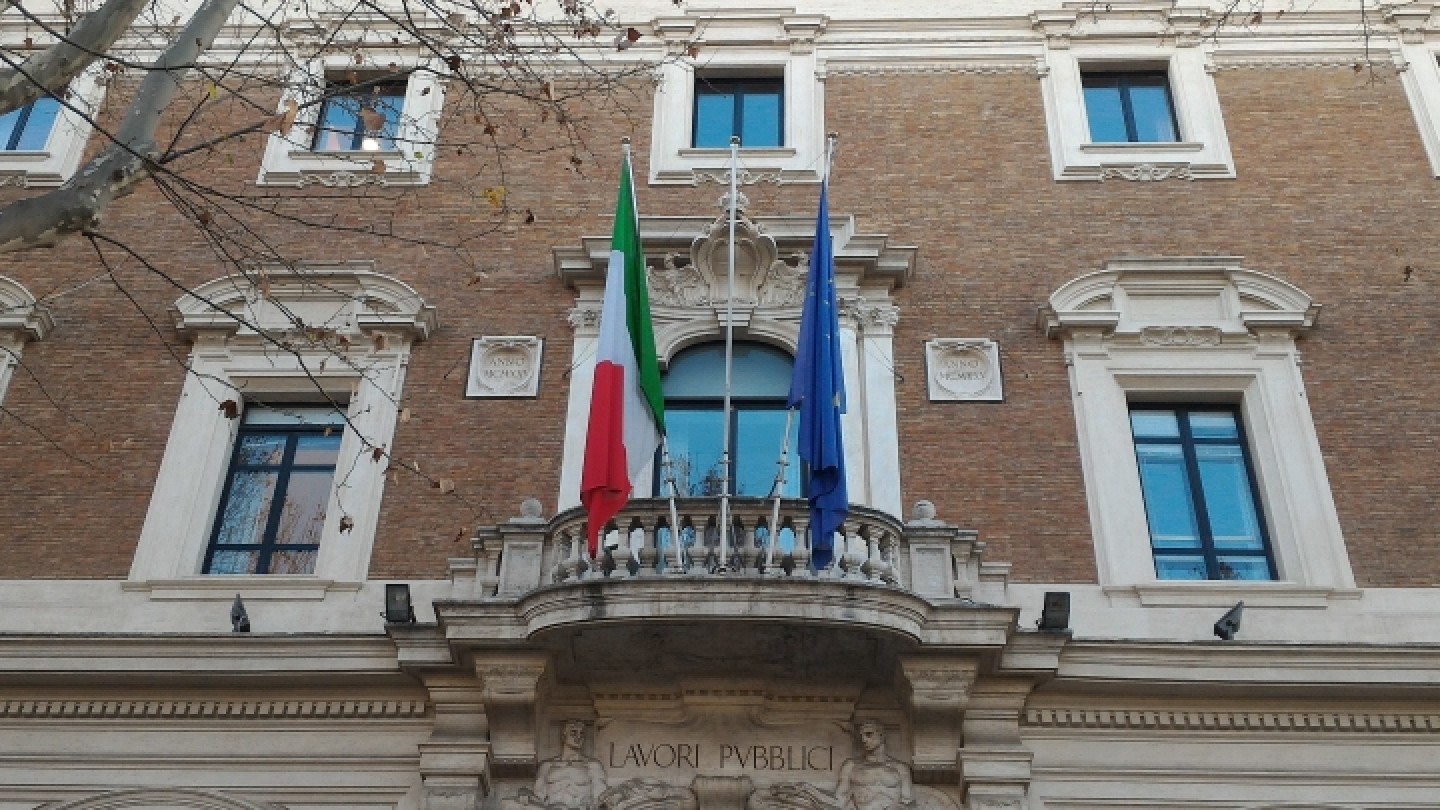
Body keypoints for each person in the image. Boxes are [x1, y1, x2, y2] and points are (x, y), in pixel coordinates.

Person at [509, 720, 608, 810]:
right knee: (509, 803)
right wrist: (525, 793)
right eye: (573, 733)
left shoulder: (592, 765)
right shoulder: (547, 765)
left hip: (580, 808)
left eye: (582, 734)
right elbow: (538, 795)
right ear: (563, 736)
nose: (579, 737)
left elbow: (600, 798)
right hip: (551, 808)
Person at [832, 721, 915, 810]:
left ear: (882, 735)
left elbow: (907, 800)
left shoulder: (900, 768)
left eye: (869, 734)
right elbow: (840, 797)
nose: (864, 740)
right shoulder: (851, 765)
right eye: (861, 736)